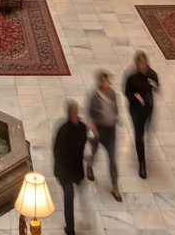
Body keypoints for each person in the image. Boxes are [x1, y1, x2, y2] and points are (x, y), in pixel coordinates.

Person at [51, 100, 89, 235]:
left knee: (76, 191)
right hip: (65, 171)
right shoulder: (63, 131)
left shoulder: (82, 127)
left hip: (76, 169)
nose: (74, 115)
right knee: (69, 196)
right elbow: (57, 151)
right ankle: (70, 227)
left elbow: (84, 143)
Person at [123, 50, 160, 178]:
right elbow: (126, 92)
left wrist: (150, 95)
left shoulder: (152, 74)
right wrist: (136, 97)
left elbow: (156, 87)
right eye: (140, 64)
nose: (143, 66)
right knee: (139, 135)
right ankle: (142, 164)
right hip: (136, 110)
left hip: (148, 108)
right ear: (137, 65)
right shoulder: (131, 77)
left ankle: (146, 129)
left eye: (145, 63)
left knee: (147, 126)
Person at [86, 70, 121, 200]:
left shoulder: (112, 93)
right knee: (94, 152)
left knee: (112, 159)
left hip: (110, 131)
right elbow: (89, 114)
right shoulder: (94, 97)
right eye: (102, 81)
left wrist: (115, 118)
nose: (105, 83)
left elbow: (115, 108)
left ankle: (115, 187)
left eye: (106, 81)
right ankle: (89, 165)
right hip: (98, 130)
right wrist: (93, 126)